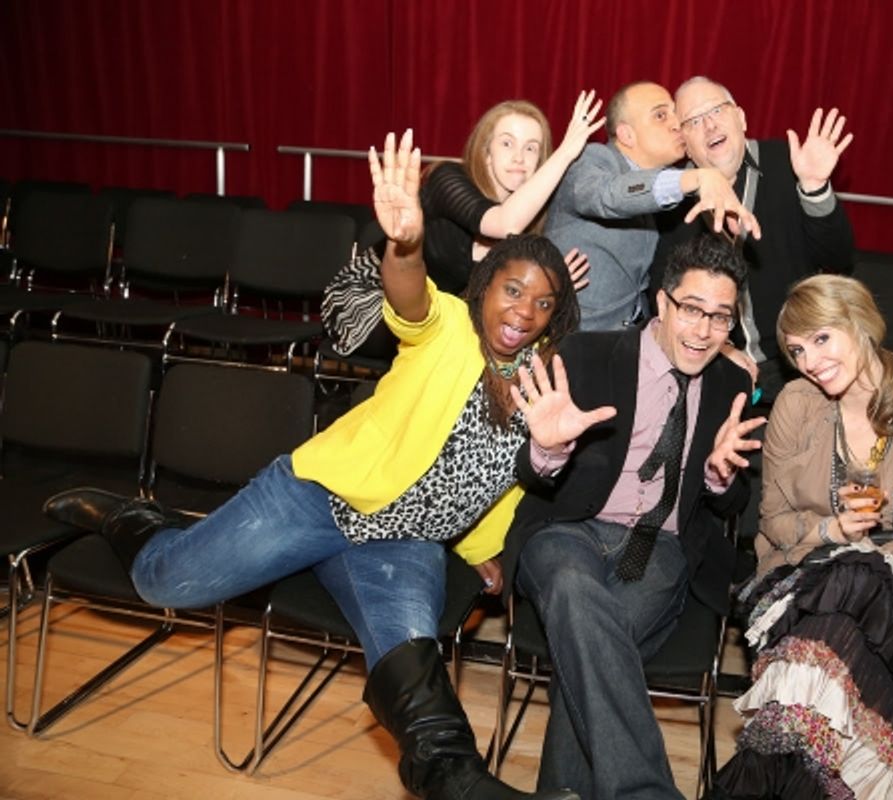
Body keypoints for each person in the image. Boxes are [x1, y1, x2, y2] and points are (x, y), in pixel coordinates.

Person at [47, 130, 595, 800]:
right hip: (319, 497)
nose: (524, 312)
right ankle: (136, 520)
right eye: (513, 291)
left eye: (541, 303)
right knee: (167, 584)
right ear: (484, 288)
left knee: (411, 664)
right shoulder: (450, 327)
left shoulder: (541, 384)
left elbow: (501, 488)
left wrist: (487, 549)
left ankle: (462, 783)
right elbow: (408, 298)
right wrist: (404, 242)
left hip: (402, 541)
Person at [497, 233, 769, 800]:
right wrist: (546, 449)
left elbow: (732, 504)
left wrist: (722, 476)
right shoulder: (586, 354)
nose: (703, 331)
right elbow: (533, 475)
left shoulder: (733, 385)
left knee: (593, 648)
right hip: (566, 530)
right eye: (692, 310)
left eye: (720, 319)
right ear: (662, 303)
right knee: (574, 590)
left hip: (660, 546)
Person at [709, 275, 893, 800]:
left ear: (859, 323)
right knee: (847, 573)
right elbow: (773, 524)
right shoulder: (795, 404)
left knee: (862, 571)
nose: (810, 361)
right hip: (798, 590)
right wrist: (830, 530)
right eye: (798, 350)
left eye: (822, 339)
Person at [324, 92, 604, 359]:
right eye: (507, 143)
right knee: (459, 345)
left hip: (443, 321)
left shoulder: (536, 221)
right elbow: (505, 223)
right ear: (486, 154)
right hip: (371, 299)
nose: (519, 157)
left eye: (531, 148)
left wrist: (547, 283)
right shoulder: (447, 178)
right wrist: (567, 151)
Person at [652, 76, 856, 402]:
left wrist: (814, 187)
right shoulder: (673, 197)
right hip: (712, 365)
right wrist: (721, 349)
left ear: (741, 118)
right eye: (694, 121)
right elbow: (661, 294)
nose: (709, 126)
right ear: (684, 143)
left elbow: (838, 261)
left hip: (799, 362)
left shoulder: (789, 163)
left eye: (717, 111)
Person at [543, 80, 761, 332]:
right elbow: (608, 194)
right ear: (627, 134)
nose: (676, 124)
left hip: (629, 344)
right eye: (660, 115)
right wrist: (697, 177)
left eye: (676, 115)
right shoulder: (594, 159)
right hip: (571, 339)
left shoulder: (664, 193)